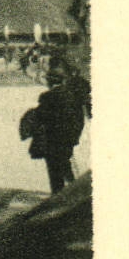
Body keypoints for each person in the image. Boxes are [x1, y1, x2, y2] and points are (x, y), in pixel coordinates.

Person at [33, 65, 89, 193]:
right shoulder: (71, 96)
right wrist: (74, 137)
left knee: (55, 174)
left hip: (52, 142)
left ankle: (59, 199)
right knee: (66, 166)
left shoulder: (46, 97)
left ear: (49, 81)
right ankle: (74, 193)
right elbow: (78, 119)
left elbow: (39, 119)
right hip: (68, 140)